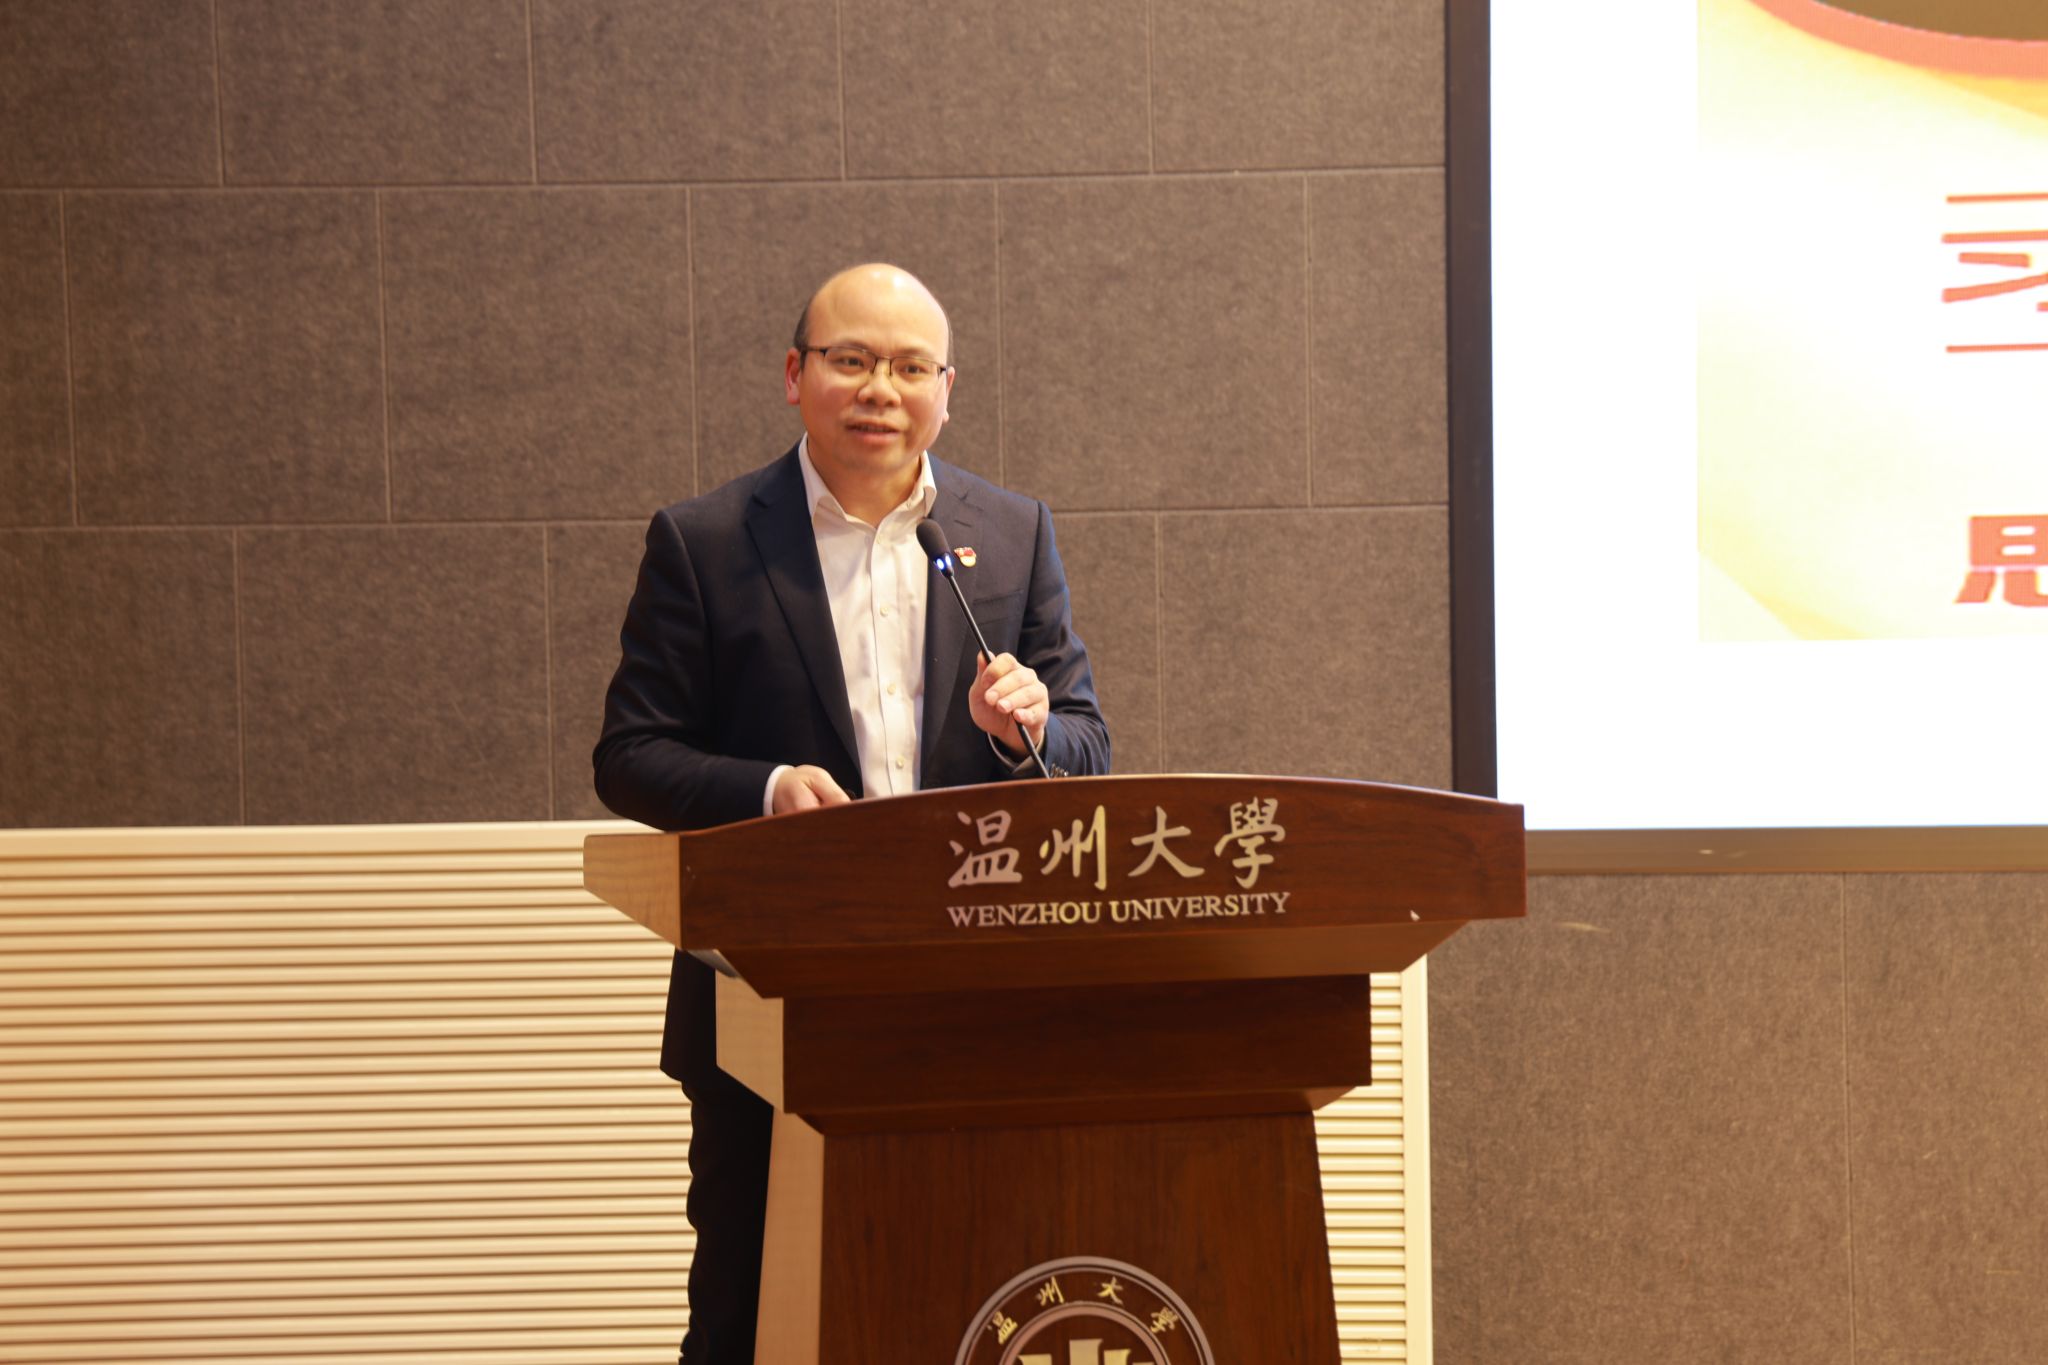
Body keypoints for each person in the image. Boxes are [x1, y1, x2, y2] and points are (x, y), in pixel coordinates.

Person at [592, 262, 1111, 1364]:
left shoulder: (1011, 532)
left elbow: (1084, 744)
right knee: (747, 1313)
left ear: (945, 390)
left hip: (972, 1005)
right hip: (768, 1003)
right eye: (852, 360)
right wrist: (764, 789)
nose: (881, 388)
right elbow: (630, 756)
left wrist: (1024, 732)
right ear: (796, 374)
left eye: (910, 367)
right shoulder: (706, 540)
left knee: (972, 1305)